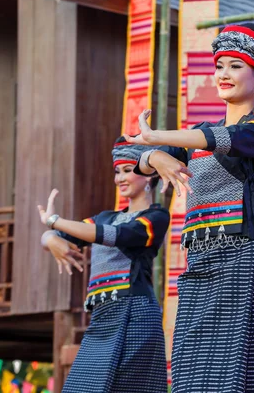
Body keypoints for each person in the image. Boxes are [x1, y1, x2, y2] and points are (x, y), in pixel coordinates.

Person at [127, 23, 254, 391]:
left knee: (239, 373)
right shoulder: (196, 135)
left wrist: (155, 140)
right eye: (220, 66)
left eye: (236, 66)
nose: (223, 74)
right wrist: (156, 156)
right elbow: (130, 159)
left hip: (244, 256)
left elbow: (224, 139)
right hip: (200, 261)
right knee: (190, 373)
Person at [38, 137, 169, 393]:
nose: (120, 178)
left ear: (149, 176)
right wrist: (50, 238)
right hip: (102, 315)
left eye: (128, 170)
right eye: (117, 172)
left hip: (136, 313)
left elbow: (115, 235)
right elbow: (69, 235)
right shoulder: (105, 217)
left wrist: (54, 222)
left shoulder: (155, 217)